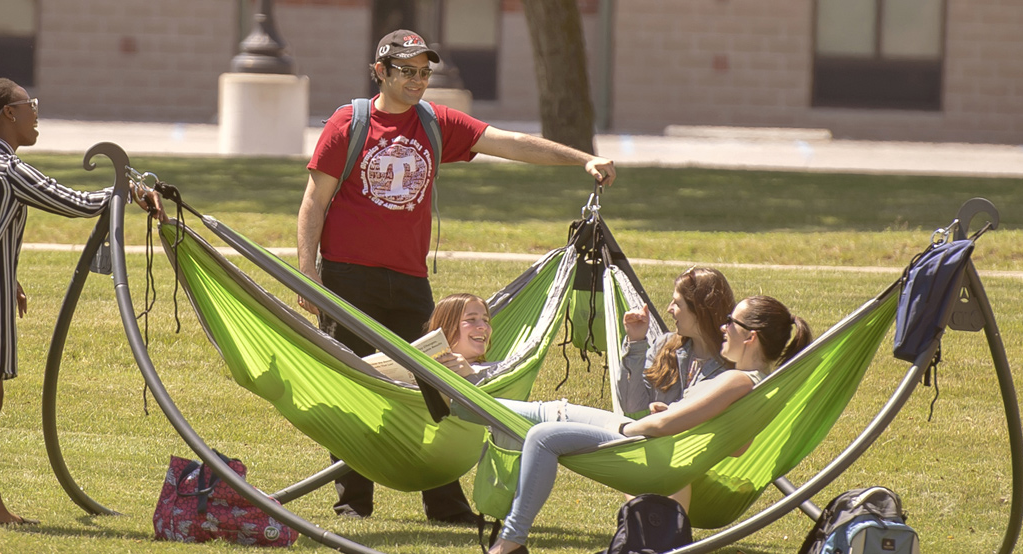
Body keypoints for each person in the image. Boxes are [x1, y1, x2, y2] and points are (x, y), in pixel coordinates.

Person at [294, 28, 617, 524]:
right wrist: (308, 275)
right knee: (354, 389)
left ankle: (444, 504)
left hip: (409, 280)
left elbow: (511, 144)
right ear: (380, 72)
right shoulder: (350, 123)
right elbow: (314, 202)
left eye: (424, 72)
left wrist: (583, 159)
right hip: (346, 279)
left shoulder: (436, 122)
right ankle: (352, 501)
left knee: (438, 387)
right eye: (407, 71)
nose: (418, 80)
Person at [0, 77, 160, 525]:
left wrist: (10, 274)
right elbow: (76, 202)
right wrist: (131, 192)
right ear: (9, 113)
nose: (36, 113)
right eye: (31, 105)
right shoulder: (8, 169)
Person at [482, 295, 813, 554]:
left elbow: (667, 425)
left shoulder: (737, 380)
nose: (724, 327)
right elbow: (735, 444)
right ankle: (453, 398)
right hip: (657, 444)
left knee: (543, 436)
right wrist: (676, 414)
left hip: (652, 450)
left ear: (750, 335)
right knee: (549, 411)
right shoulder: (761, 382)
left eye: (731, 322)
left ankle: (511, 541)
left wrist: (633, 428)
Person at [613, 268, 735, 414]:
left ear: (699, 310)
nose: (669, 309)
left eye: (677, 303)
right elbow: (631, 407)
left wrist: (672, 416)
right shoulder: (664, 346)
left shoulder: (733, 363)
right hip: (649, 435)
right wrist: (635, 342)